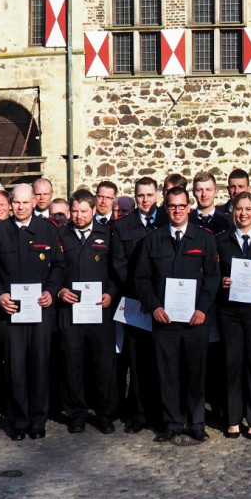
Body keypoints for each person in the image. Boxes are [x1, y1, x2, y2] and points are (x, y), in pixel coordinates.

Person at [134, 186, 220, 444]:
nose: (177, 211)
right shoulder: (153, 240)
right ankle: (171, 422)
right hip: (165, 320)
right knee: (168, 373)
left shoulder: (204, 238)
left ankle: (196, 422)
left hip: (195, 320)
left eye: (182, 206)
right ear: (166, 208)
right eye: (172, 206)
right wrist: (154, 306)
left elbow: (213, 276)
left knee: (195, 373)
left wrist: (203, 308)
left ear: (189, 207)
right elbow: (141, 278)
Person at [0, 183, 65, 440]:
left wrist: (51, 291)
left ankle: (38, 421)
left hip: (40, 311)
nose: (20, 207)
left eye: (25, 202)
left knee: (40, 367)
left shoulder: (48, 230)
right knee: (15, 368)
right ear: (10, 203)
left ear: (33, 203)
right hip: (11, 312)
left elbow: (59, 266)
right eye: (15, 202)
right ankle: (18, 421)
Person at [56, 189, 118, 433]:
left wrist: (111, 293)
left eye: (84, 211)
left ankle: (104, 414)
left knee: (102, 364)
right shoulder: (60, 235)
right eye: (75, 211)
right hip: (70, 311)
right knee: (72, 364)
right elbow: (54, 269)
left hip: (98, 311)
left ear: (94, 210)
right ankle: (76, 413)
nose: (79, 216)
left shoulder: (108, 235)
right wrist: (60, 291)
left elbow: (116, 271)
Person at [216, 192, 251, 440]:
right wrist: (222, 281)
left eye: (248, 209)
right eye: (239, 209)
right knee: (232, 365)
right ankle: (232, 419)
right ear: (232, 212)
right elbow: (210, 273)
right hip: (230, 312)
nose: (243, 214)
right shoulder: (221, 241)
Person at [112, 177, 163, 432]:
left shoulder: (166, 221)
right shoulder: (123, 227)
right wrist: (141, 295)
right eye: (140, 195)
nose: (145, 200)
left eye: (149, 195)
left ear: (157, 195)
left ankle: (160, 412)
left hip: (162, 304)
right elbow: (120, 265)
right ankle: (138, 413)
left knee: (160, 359)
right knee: (136, 359)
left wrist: (156, 298)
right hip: (134, 302)